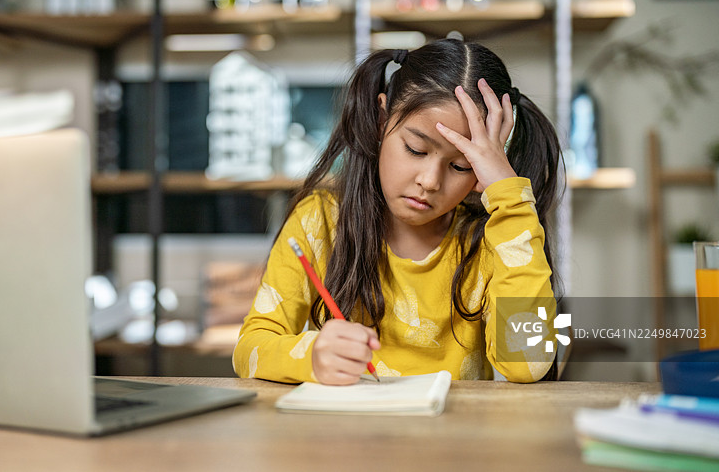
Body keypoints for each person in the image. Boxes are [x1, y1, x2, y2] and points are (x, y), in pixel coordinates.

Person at [233, 38, 562, 385]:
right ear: (380, 120)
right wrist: (311, 358)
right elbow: (249, 349)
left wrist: (510, 199)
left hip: (453, 437)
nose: (430, 181)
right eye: (416, 149)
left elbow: (528, 363)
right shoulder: (320, 221)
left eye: (462, 166)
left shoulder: (495, 237)